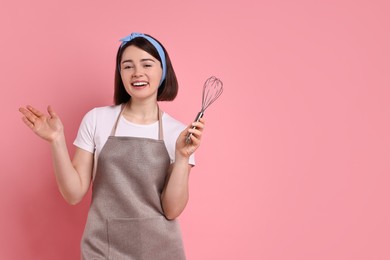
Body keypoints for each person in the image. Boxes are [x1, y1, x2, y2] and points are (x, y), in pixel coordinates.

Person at [19, 32, 205, 259]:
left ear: (163, 71)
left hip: (161, 250)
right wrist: (56, 140)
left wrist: (182, 156)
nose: (137, 72)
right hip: (103, 248)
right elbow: (73, 194)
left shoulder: (179, 134)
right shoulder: (97, 119)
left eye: (147, 64)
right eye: (127, 66)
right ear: (120, 73)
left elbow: (172, 209)